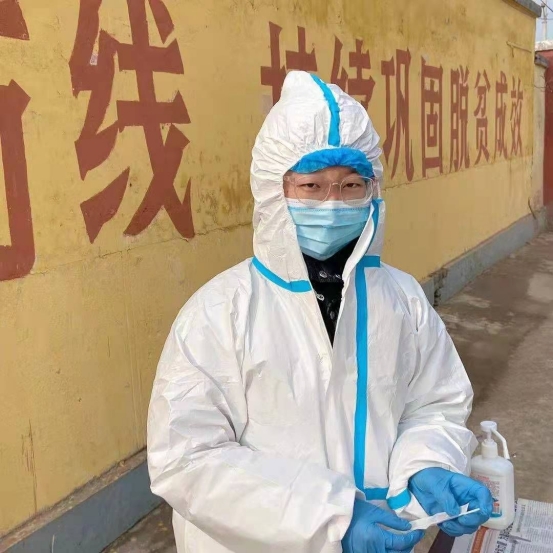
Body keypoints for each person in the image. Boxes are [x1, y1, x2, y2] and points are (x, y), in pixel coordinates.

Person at [147, 71, 493, 553]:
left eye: (351, 185)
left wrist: (428, 464)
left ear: (373, 190)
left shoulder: (403, 300)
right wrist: (333, 519)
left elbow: (434, 404)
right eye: (311, 186)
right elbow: (187, 460)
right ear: (274, 191)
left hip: (386, 539)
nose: (334, 204)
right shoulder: (219, 314)